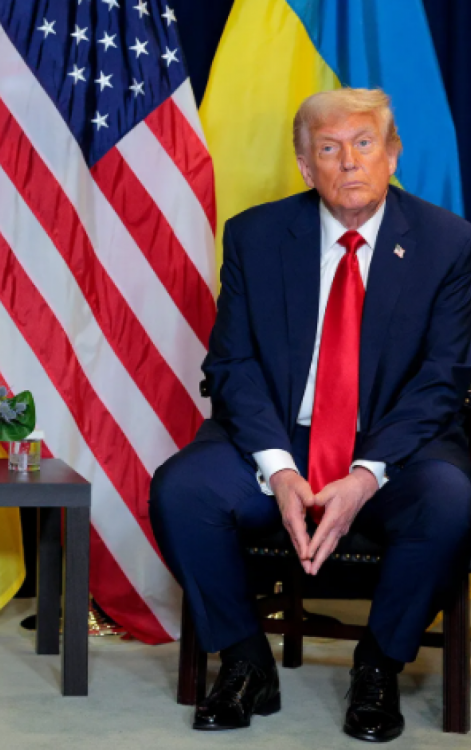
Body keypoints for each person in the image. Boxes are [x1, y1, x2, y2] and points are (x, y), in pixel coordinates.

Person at [150, 88, 471, 743]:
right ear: (305, 166)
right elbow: (231, 366)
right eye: (329, 148)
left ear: (392, 155)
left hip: (394, 446)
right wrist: (278, 469)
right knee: (181, 490)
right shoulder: (255, 236)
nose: (349, 161)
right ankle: (245, 662)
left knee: (450, 500)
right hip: (278, 436)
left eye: (364, 144)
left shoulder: (448, 242)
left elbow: (443, 379)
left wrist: (366, 474)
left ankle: (378, 667)